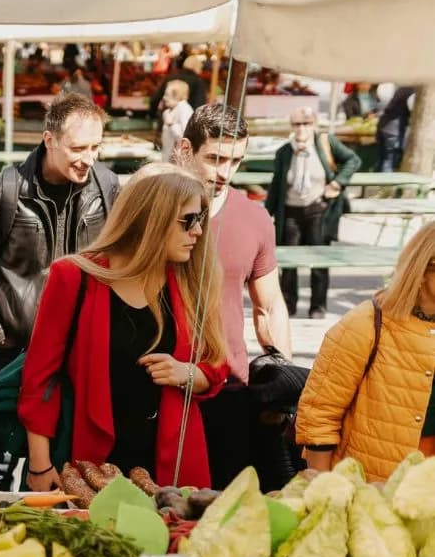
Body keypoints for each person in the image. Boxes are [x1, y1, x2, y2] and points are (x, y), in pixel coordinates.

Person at [21, 165, 229, 491]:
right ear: (151, 219)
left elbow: (217, 366)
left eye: (201, 219)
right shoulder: (73, 277)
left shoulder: (193, 281)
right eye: (189, 220)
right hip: (91, 466)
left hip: (172, 468)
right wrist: (39, 464)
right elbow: (39, 380)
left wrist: (187, 373)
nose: (198, 231)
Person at [0, 92, 121, 490]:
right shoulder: (4, 191)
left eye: (96, 147)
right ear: (49, 140)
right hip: (13, 347)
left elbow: (116, 259)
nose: (88, 158)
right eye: (78, 148)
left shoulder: (107, 186)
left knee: (59, 452)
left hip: (77, 349)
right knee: (0, 454)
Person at [175, 103, 292, 488]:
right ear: (184, 150)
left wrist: (284, 381)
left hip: (229, 386)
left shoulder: (255, 218)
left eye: (236, 161)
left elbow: (269, 305)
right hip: (160, 381)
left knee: (224, 503)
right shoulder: (152, 208)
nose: (225, 172)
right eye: (215, 158)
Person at [296, 223, 435, 482]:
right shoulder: (366, 323)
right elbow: (320, 413)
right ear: (423, 270)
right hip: (371, 486)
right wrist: (322, 485)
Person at [267, 107, 362, 319]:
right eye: (297, 124)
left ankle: (318, 306)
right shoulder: (284, 152)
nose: (302, 129)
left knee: (319, 260)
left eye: (306, 124)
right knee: (288, 260)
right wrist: (267, 212)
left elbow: (353, 160)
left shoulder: (326, 143)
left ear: (314, 126)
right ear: (292, 127)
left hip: (318, 209)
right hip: (291, 211)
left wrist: (338, 183)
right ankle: (288, 304)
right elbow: (276, 185)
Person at [377, 86, 416, 173]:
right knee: (389, 162)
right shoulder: (414, 91)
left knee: (385, 160)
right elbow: (412, 110)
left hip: (386, 127)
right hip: (394, 131)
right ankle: (386, 185)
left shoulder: (403, 89)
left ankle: (383, 184)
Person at [159, 80, 193, 162]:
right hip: (169, 159)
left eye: (167, 94)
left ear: (177, 96)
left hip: (178, 162)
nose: (164, 97)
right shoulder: (173, 109)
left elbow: (185, 136)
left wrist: (171, 124)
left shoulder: (184, 109)